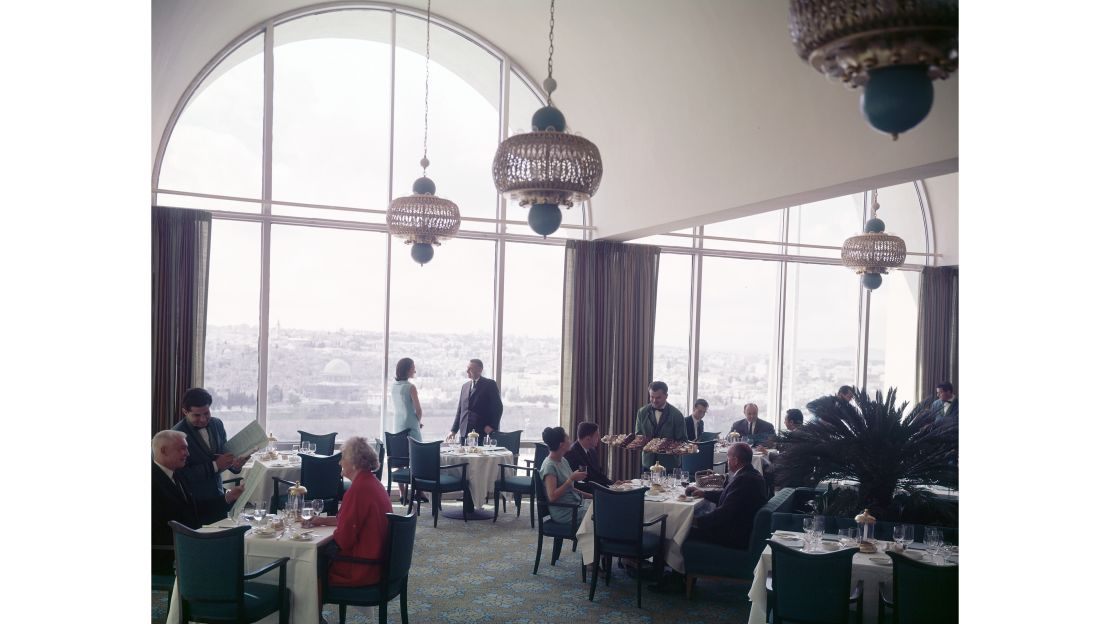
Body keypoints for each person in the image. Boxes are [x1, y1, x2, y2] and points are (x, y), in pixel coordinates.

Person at [151, 430, 244, 574]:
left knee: (237, 545)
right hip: (170, 553)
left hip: (190, 540)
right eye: (182, 448)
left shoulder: (176, 473)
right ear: (164, 451)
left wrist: (228, 497)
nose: (187, 453)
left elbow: (194, 509)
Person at [310, 437, 393, 589]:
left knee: (309, 567)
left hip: (363, 567)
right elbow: (350, 521)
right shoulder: (372, 483)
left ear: (354, 463)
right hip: (378, 560)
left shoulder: (358, 490)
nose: (339, 462)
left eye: (342, 458)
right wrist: (320, 520)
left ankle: (314, 613)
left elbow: (344, 540)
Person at [172, 387, 249, 524]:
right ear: (185, 412)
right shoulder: (176, 434)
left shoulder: (217, 424)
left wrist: (235, 464)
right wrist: (215, 465)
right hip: (195, 503)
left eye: (206, 413)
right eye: (196, 415)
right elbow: (181, 475)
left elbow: (224, 455)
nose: (203, 419)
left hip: (219, 496)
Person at [685, 442, 766, 549]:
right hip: (740, 528)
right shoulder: (752, 474)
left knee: (681, 530)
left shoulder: (744, 480)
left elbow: (724, 513)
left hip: (732, 536)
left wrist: (695, 521)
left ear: (736, 460)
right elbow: (731, 497)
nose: (727, 461)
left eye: (728, 458)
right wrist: (704, 493)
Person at [538, 426, 591, 528]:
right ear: (562, 445)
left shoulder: (563, 460)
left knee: (601, 507)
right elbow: (552, 497)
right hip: (565, 511)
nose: (571, 441)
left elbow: (570, 489)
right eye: (568, 439)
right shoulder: (550, 466)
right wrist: (571, 479)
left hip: (575, 504)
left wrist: (592, 496)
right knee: (601, 515)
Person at [634, 381, 689, 471]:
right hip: (648, 463)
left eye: (658, 397)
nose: (654, 400)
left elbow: (682, 441)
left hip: (670, 464)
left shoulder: (677, 415)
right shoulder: (642, 412)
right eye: (652, 397)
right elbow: (638, 436)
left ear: (666, 396)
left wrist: (667, 446)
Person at [448, 359, 503, 441]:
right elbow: (460, 411)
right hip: (464, 434)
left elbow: (498, 407)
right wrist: (453, 430)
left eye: (470, 369)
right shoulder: (465, 387)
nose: (467, 371)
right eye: (467, 368)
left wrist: (492, 426)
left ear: (480, 370)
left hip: (481, 432)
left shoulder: (489, 385)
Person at [563, 422, 624, 493]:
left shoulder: (592, 450)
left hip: (598, 489)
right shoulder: (571, 453)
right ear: (588, 439)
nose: (599, 438)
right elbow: (577, 484)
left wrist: (613, 484)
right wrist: (605, 489)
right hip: (586, 493)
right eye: (596, 436)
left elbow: (599, 474)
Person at [391, 358, 423, 441]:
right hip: (411, 427)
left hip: (398, 425)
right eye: (413, 368)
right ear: (407, 370)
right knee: (415, 451)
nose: (415, 371)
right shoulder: (411, 387)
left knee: (401, 450)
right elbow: (418, 410)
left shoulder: (393, 386)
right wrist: (417, 422)